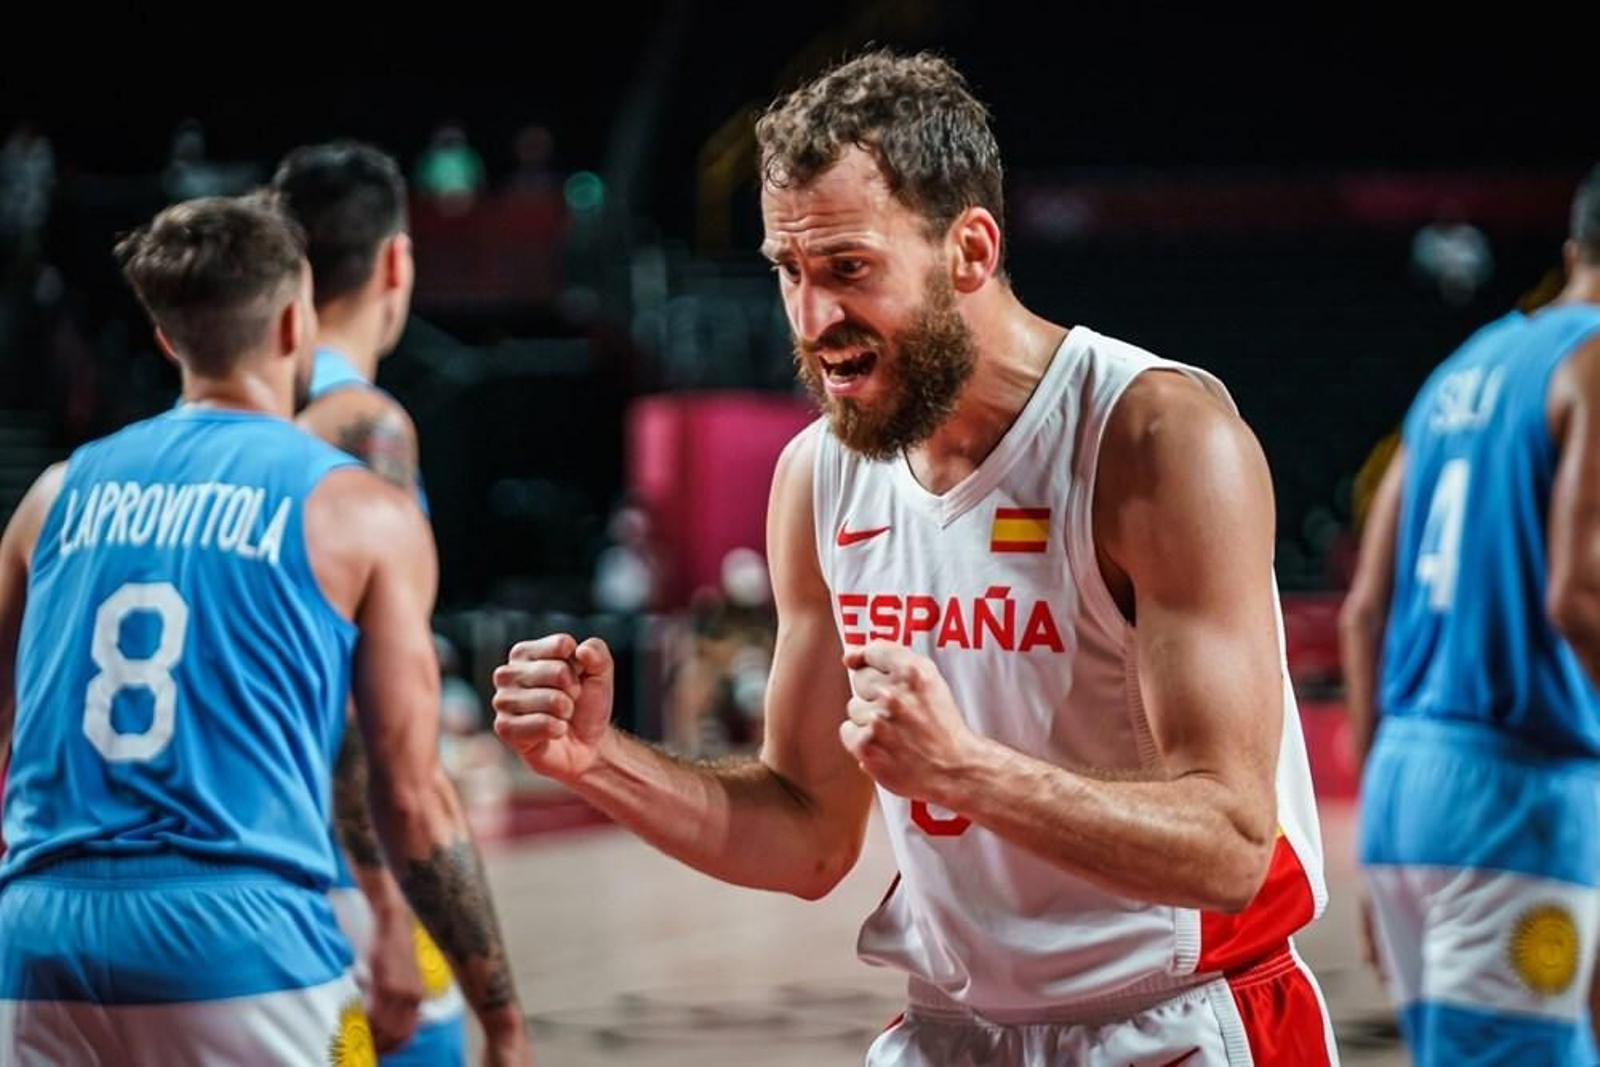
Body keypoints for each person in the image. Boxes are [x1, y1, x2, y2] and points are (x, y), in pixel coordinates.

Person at [492, 50, 1333, 1065]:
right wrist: (598, 759)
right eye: (788, 272)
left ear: (968, 250)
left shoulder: (1153, 440)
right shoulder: (819, 475)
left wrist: (968, 772)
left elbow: (1232, 845)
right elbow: (805, 833)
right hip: (953, 1024)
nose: (812, 321)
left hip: (1177, 1015)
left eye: (848, 267)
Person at [0, 196, 531, 1065]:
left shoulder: (52, 496)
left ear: (168, 338)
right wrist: (501, 1016)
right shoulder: (359, 508)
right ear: (295, 323)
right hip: (239, 935)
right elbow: (410, 797)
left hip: (39, 937)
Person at [1341, 164, 1600, 1066]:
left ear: (1574, 252)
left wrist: (1379, 829)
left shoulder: (1466, 365)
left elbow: (1365, 612)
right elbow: (1581, 596)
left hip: (1408, 794)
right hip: (1518, 797)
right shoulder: (1596, 365)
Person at [271, 138, 469, 1063]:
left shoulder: (227, 421)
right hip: (337, 870)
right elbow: (362, 702)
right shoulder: (367, 426)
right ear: (398, 260)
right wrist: (389, 901)